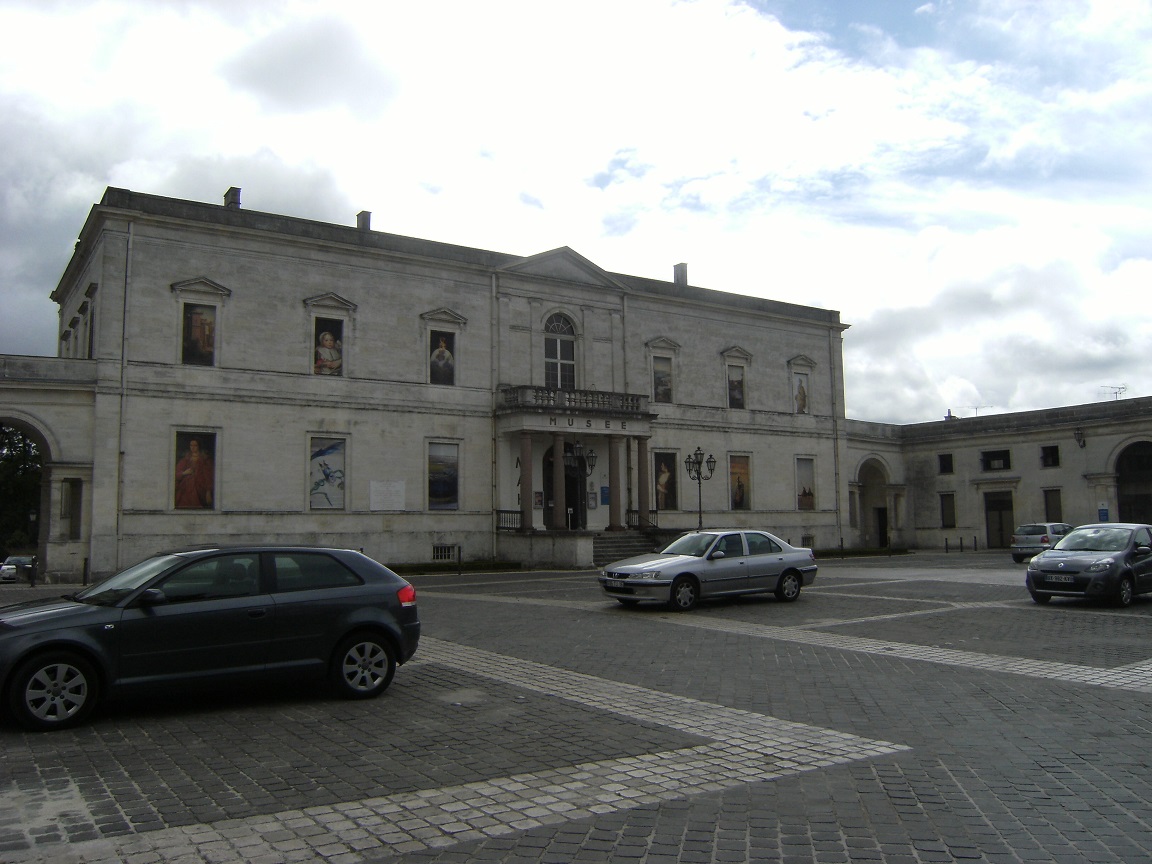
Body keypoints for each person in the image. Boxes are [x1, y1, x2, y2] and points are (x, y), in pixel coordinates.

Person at [175, 437, 214, 508]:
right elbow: (176, 473)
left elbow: (209, 476)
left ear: (199, 446)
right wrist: (184, 473)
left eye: (195, 445)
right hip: (186, 488)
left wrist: (208, 492)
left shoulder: (205, 459)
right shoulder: (185, 459)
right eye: (191, 445)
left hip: (200, 487)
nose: (193, 447)